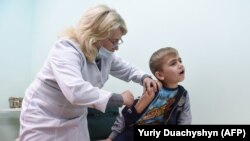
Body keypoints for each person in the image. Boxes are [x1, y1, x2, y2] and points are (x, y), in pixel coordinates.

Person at [18, 4, 160, 141]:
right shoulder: (66, 49)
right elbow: (76, 91)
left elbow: (127, 69)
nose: (117, 47)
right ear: (96, 35)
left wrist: (144, 77)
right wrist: (120, 99)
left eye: (119, 41)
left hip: (75, 118)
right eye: (114, 41)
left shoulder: (104, 54)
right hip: (44, 117)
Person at [107, 47, 192, 141]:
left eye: (180, 61)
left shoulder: (183, 95)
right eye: (173, 63)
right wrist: (111, 138)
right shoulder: (153, 90)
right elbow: (127, 116)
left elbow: (185, 120)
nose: (180, 65)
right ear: (160, 75)